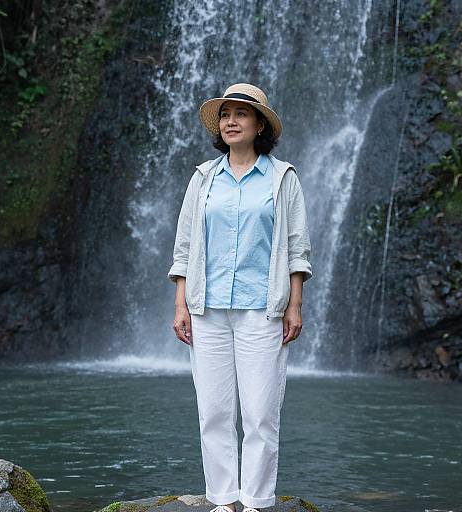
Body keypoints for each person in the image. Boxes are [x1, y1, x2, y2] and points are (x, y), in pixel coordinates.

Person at [167, 83, 312, 512]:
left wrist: (295, 304)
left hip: (262, 310)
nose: (231, 121)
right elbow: (184, 246)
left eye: (241, 114)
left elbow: (297, 245)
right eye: (225, 115)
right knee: (213, 412)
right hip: (206, 309)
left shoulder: (283, 178)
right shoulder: (202, 178)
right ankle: (224, 500)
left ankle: (255, 501)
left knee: (261, 413)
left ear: (260, 124)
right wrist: (180, 305)